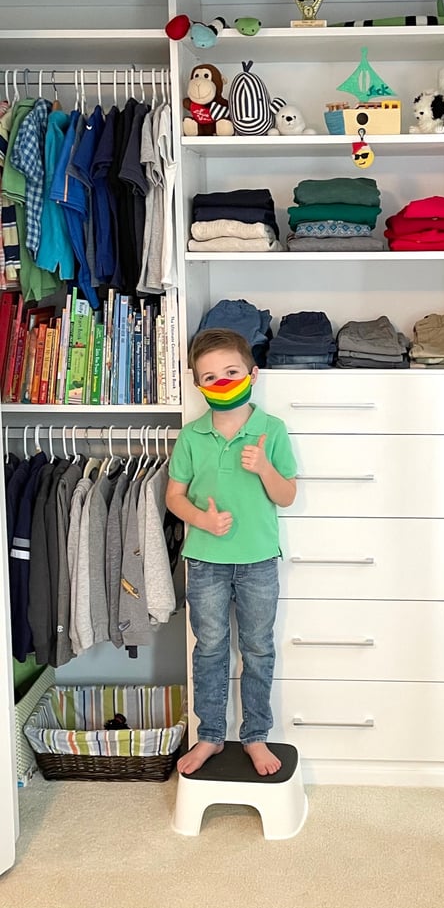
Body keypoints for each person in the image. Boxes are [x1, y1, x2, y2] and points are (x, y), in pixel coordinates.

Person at [166, 328, 297, 776]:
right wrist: (200, 520)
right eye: (209, 376)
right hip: (204, 562)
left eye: (231, 372)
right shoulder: (191, 436)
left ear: (252, 374)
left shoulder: (272, 431)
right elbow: (174, 497)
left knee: (258, 649)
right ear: (197, 384)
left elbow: (287, 496)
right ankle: (210, 736)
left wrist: (263, 468)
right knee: (211, 649)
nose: (221, 382)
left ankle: (256, 736)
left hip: (259, 559)